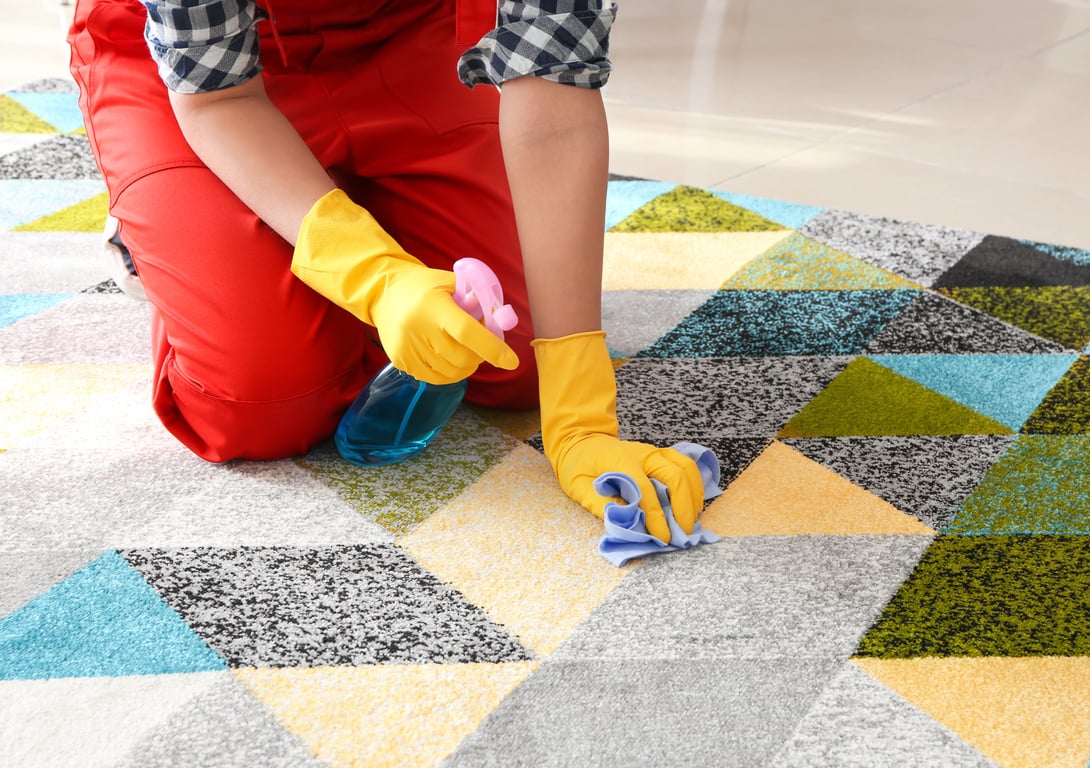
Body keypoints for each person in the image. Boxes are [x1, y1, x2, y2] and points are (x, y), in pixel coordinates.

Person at [67, 0, 704, 544]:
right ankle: (154, 231)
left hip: (404, 36)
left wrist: (581, 416)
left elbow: (556, 102)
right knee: (263, 404)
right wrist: (378, 280)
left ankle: (331, 207)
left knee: (508, 356)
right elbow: (218, 98)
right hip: (205, 83)